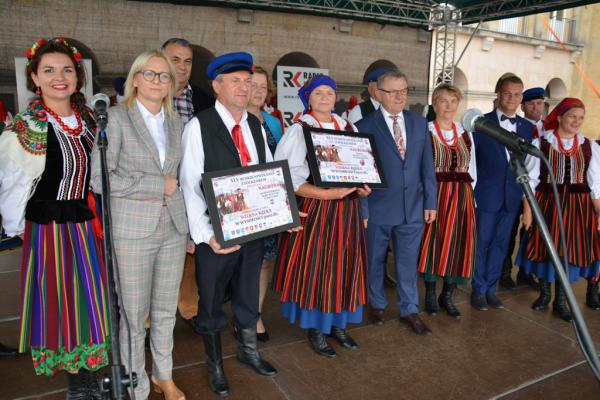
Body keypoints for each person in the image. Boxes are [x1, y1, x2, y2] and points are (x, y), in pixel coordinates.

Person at [0, 37, 108, 398]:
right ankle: (77, 383)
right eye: (49, 70)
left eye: (66, 70)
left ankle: (91, 374)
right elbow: (12, 184)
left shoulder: (90, 118)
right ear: (34, 78)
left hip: (88, 222)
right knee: (63, 303)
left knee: (92, 299)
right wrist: (18, 227)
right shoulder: (25, 127)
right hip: (50, 229)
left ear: (77, 77)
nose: (59, 77)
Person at [91, 50, 189, 400]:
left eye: (164, 76)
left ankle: (164, 375)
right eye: (150, 74)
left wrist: (189, 227)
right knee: (134, 315)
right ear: (134, 79)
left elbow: (182, 179)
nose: (158, 81)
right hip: (133, 230)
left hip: (173, 228)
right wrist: (155, 185)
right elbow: (101, 179)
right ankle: (137, 383)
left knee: (165, 311)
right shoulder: (115, 119)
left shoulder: (176, 122)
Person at [180, 52, 277, 397]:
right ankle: (215, 366)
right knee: (209, 304)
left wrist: (282, 213)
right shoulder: (199, 126)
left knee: (249, 293)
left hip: (252, 231)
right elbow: (190, 187)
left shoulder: (255, 126)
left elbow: (266, 178)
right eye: (235, 80)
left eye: (248, 81)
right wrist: (206, 235)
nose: (244, 86)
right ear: (217, 86)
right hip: (216, 236)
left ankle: (249, 351)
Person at [274, 75, 371, 357]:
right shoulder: (300, 129)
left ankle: (339, 325)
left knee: (346, 264)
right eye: (319, 93)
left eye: (330, 92)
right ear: (308, 98)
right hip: (319, 207)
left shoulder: (348, 126)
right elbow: (288, 175)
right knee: (319, 266)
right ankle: (316, 328)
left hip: (348, 209)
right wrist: (328, 195)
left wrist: (363, 187)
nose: (326, 97)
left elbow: (360, 165)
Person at [356, 69, 437, 335]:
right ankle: (377, 304)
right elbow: (361, 174)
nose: (400, 96)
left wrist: (431, 202)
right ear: (379, 94)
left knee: (407, 262)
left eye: (404, 90)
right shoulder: (365, 126)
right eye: (393, 91)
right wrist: (364, 208)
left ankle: (409, 309)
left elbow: (427, 167)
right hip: (378, 207)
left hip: (412, 208)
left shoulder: (418, 123)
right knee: (375, 260)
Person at [517, 98, 600, 320]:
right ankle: (544, 293)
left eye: (581, 118)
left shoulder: (589, 146)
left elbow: (595, 185)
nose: (576, 121)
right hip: (548, 205)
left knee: (568, 252)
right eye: (573, 116)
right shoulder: (540, 143)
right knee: (545, 249)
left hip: (578, 209)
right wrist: (527, 211)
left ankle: (560, 301)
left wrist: (599, 212)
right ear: (561, 116)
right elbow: (529, 180)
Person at [470, 74, 534, 311]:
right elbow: (473, 161)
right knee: (482, 243)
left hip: (512, 195)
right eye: (507, 93)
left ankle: (491, 288)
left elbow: (528, 166)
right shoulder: (481, 123)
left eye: (517, 94)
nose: (512, 98)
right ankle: (478, 289)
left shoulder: (527, 127)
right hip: (486, 195)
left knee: (502, 243)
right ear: (497, 94)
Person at [417, 84, 476, 320]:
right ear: (434, 104)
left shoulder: (466, 133)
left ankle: (447, 295)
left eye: (453, 100)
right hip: (436, 195)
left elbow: (473, 168)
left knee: (458, 244)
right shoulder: (425, 132)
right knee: (434, 243)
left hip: (462, 197)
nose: (449, 105)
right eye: (443, 100)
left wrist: (473, 199)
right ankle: (431, 293)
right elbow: (419, 170)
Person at [246, 66, 283, 342]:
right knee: (241, 264)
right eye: (253, 85)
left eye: (263, 87)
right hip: (242, 205)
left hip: (268, 204)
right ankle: (241, 313)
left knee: (264, 263)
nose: (258, 91)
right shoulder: (231, 119)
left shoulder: (273, 122)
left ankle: (255, 315)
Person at [500, 86, 546, 291]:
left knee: (532, 232)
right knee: (509, 232)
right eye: (532, 104)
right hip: (515, 185)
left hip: (538, 188)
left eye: (540, 103)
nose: (537, 107)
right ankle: (504, 270)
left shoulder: (548, 129)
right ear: (523, 106)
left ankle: (527, 272)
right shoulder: (520, 126)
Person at [162, 38, 214, 123]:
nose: (182, 67)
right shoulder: (149, 95)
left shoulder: (208, 102)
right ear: (161, 61)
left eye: (187, 61)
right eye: (175, 60)